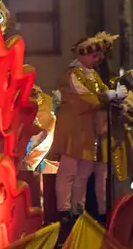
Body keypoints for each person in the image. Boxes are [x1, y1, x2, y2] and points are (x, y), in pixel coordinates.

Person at [51, 32, 121, 224]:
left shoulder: (93, 75)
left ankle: (78, 208)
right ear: (83, 54)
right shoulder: (73, 74)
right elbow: (84, 96)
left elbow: (97, 94)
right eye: (93, 55)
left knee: (84, 171)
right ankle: (64, 209)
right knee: (69, 170)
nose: (96, 60)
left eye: (98, 56)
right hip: (73, 127)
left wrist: (110, 98)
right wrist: (106, 98)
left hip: (88, 129)